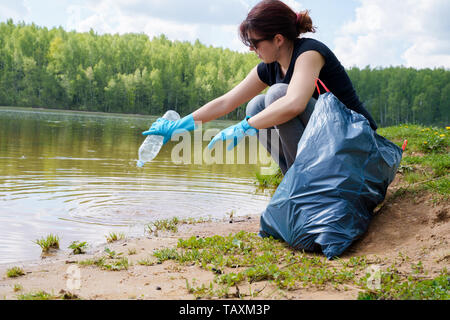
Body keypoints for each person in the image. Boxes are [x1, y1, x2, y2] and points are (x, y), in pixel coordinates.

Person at [143, 0, 377, 175]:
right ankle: (296, 177)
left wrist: (244, 127)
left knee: (276, 95)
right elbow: (226, 102)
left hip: (356, 141)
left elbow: (294, 103)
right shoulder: (270, 66)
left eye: (255, 43)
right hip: (329, 142)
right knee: (255, 105)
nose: (251, 49)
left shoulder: (309, 53)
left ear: (278, 39)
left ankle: (311, 178)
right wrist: (179, 126)